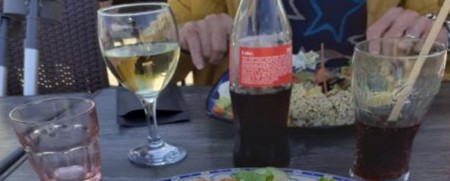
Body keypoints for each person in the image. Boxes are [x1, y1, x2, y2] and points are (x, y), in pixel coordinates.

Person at [169, 0, 449, 85]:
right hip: (242, 134)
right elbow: (158, 56)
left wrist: (442, 31)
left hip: (378, 131)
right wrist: (186, 39)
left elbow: (441, 27)